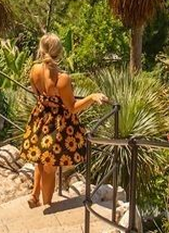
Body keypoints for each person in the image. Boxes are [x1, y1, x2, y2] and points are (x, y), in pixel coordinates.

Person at [20, 33, 107, 208]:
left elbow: (36, 92)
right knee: (50, 166)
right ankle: (47, 205)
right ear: (59, 52)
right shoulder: (62, 78)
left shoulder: (34, 69)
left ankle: (35, 196)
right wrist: (91, 97)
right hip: (56, 125)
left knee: (41, 157)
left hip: (40, 116)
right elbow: (72, 107)